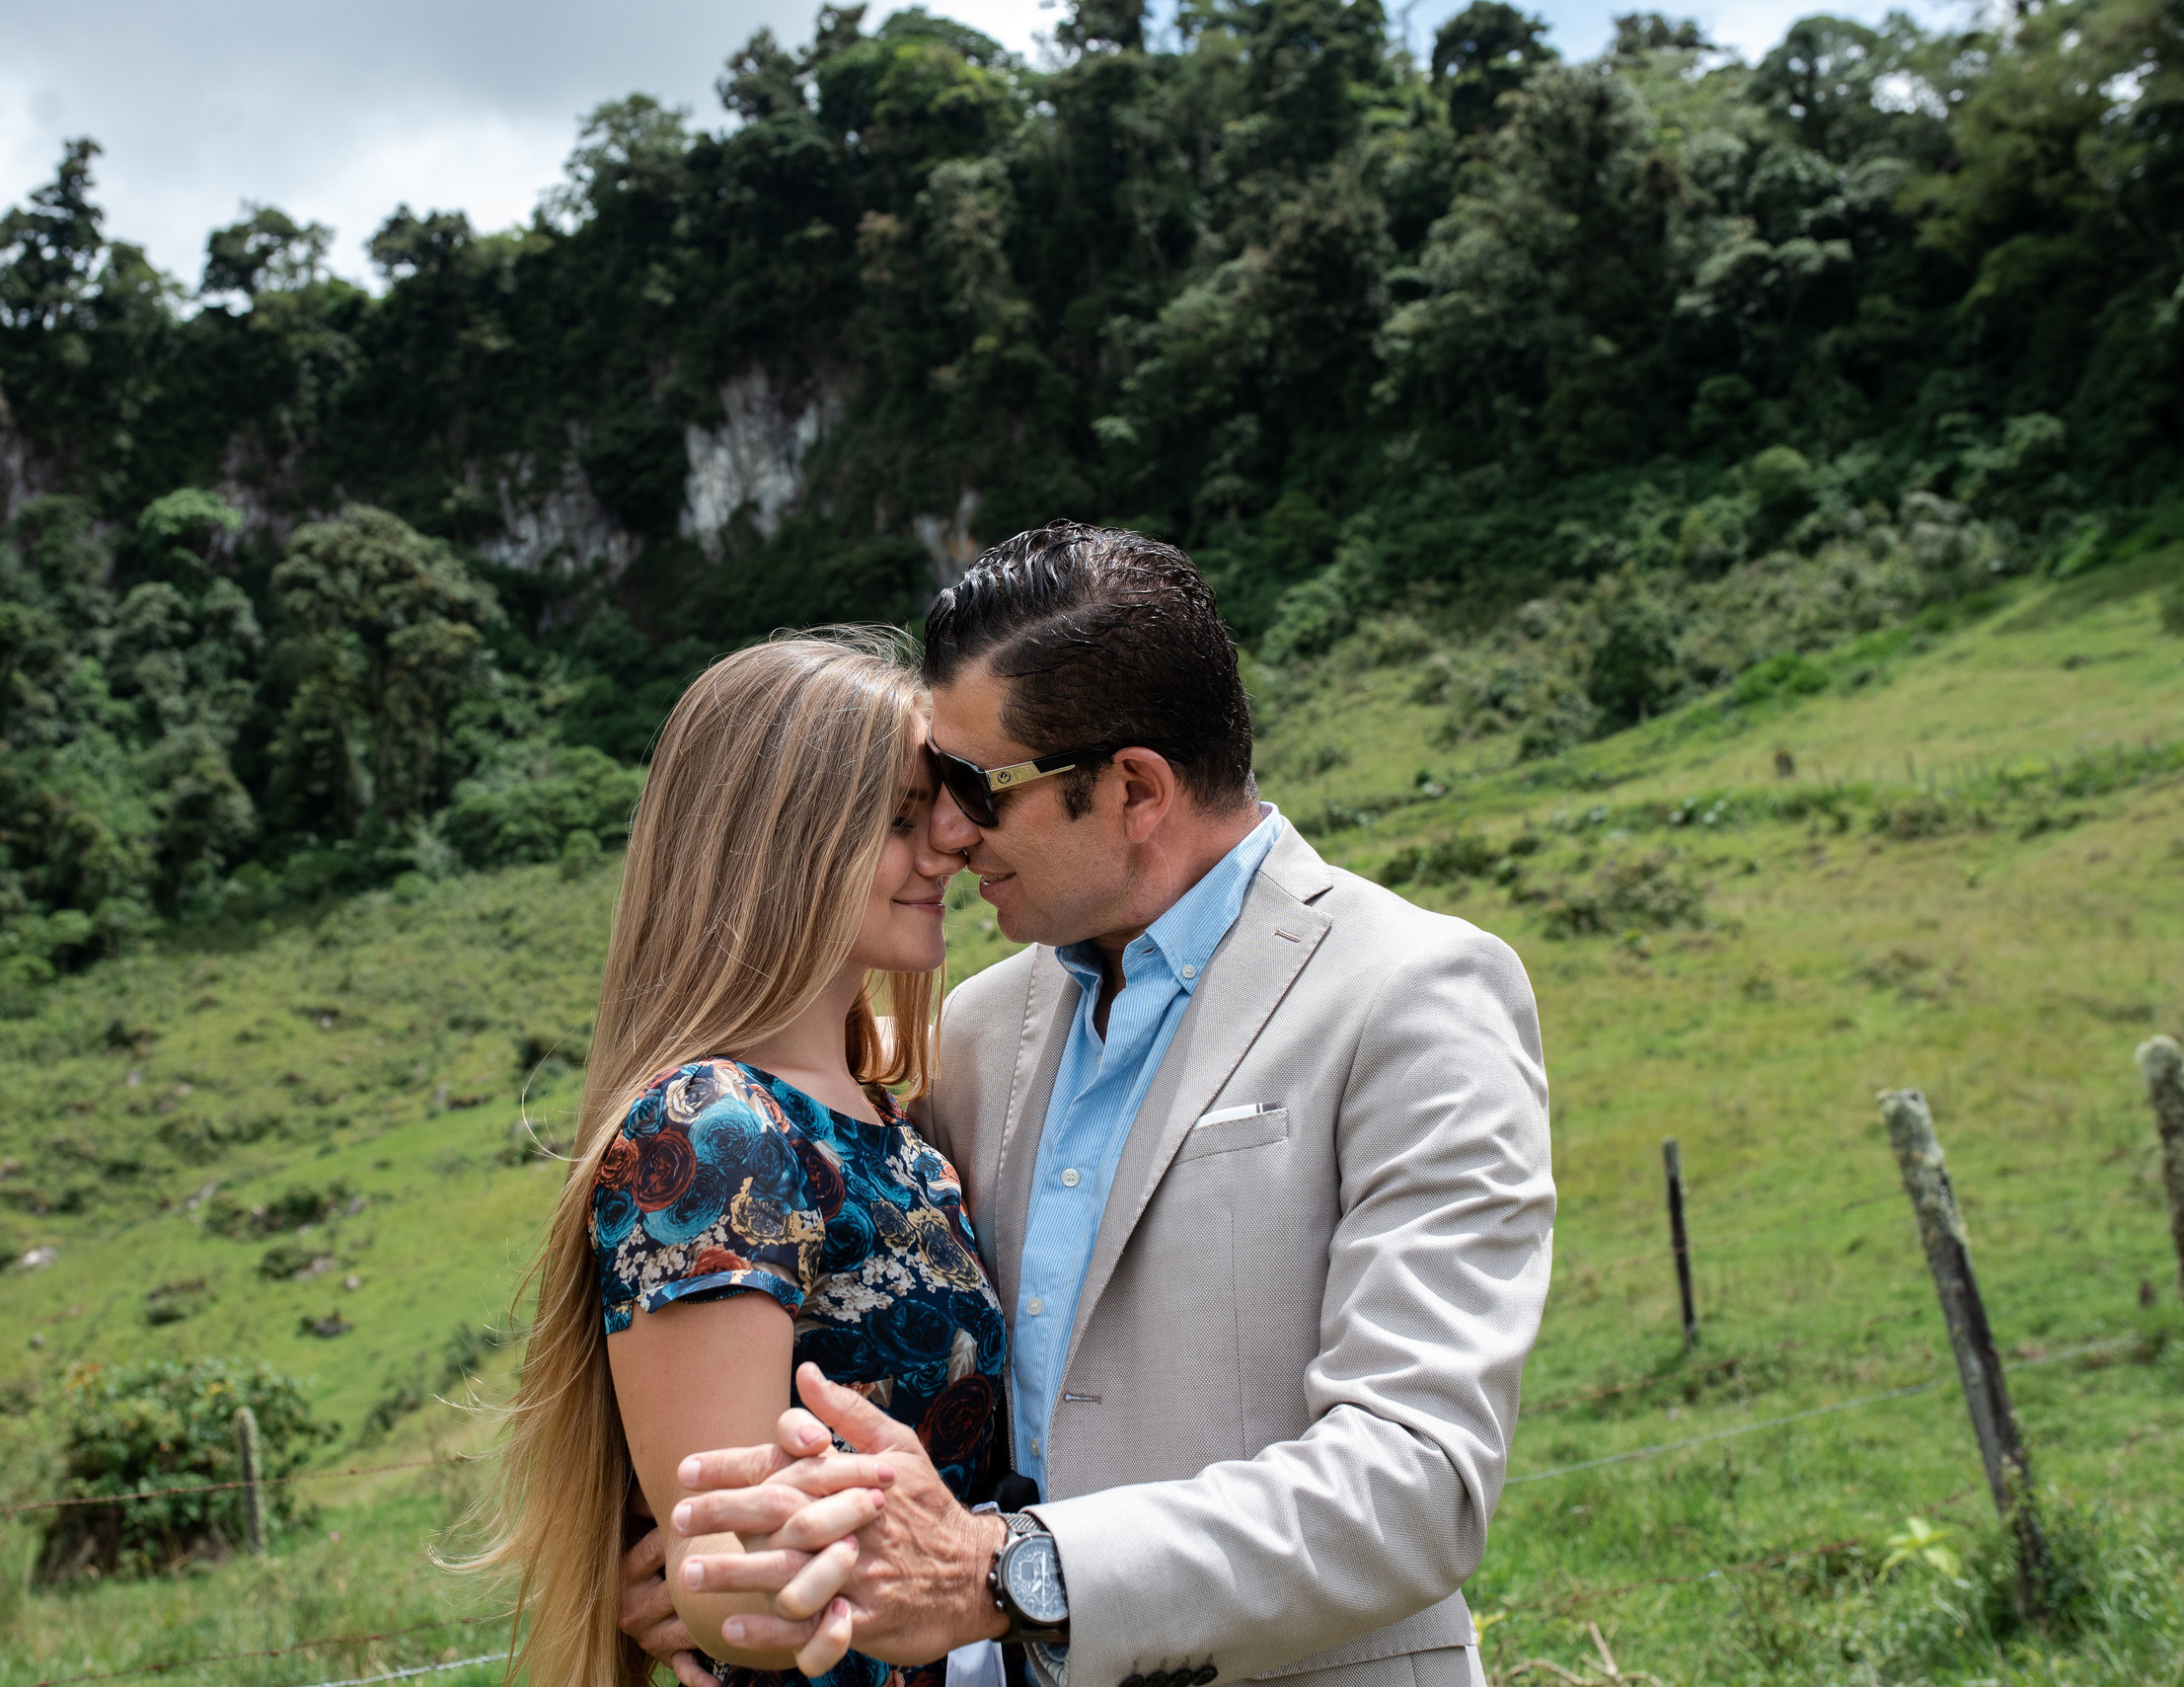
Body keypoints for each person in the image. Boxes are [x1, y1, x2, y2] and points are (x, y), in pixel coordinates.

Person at [646, 524, 1555, 1687]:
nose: (950, 830)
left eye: (978, 785)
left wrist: (1004, 1570)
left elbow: (1417, 1483)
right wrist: (731, 1572)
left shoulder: (1412, 992)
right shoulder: (970, 1029)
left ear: (1131, 788)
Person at [467, 631, 1009, 1687]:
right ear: (784, 842)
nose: (947, 842)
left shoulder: (887, 1122)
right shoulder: (714, 1128)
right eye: (900, 816)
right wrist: (724, 1580)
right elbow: (727, 1571)